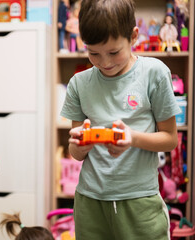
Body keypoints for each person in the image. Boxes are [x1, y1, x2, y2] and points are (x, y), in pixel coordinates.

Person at [60, 0, 181, 239]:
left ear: (133, 36)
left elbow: (170, 139)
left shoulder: (154, 73)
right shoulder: (79, 84)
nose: (104, 62)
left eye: (114, 52)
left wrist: (132, 138)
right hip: (90, 201)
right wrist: (81, 144)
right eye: (93, 53)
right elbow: (75, 153)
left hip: (140, 201)